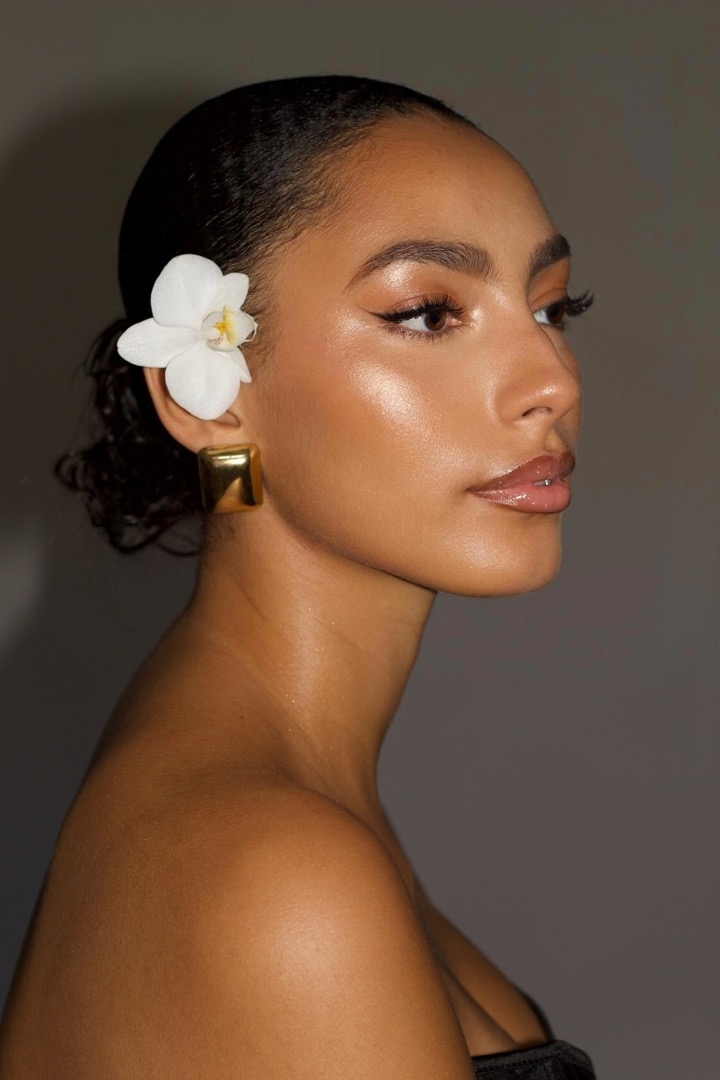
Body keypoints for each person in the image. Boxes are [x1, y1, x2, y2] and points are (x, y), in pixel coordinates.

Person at [0, 76, 596, 1078]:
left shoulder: (261, 784)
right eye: (428, 313)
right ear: (210, 399)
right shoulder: (277, 874)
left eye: (551, 306)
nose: (554, 381)